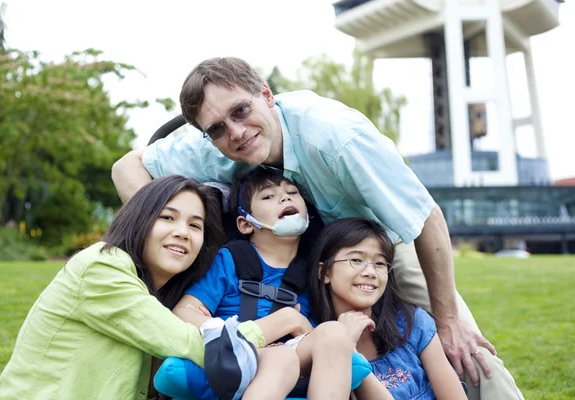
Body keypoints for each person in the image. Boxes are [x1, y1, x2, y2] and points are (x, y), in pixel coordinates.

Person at [111, 56, 523, 399]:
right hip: (304, 256)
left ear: (267, 95)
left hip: (381, 239)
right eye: (216, 128)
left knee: (458, 343)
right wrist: (179, 230)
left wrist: (448, 318)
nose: (235, 131)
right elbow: (125, 167)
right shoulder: (211, 150)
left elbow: (426, 217)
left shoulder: (337, 136)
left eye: (240, 111)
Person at [0, 176, 269, 400]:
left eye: (195, 225)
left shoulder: (155, 294)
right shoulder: (101, 268)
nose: (183, 232)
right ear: (140, 219)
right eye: (167, 218)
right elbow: (195, 343)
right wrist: (280, 329)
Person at [170, 167, 373, 400]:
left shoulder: (313, 272)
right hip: (235, 357)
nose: (285, 197)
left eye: (293, 192)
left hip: (292, 358)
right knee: (281, 359)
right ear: (246, 224)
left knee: (334, 332)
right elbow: (182, 312)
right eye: (268, 196)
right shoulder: (229, 260)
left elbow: (317, 336)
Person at [310, 218, 468, 399]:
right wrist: (346, 347)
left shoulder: (411, 321)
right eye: (356, 259)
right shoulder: (314, 338)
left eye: (379, 263)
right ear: (324, 272)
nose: (370, 272)